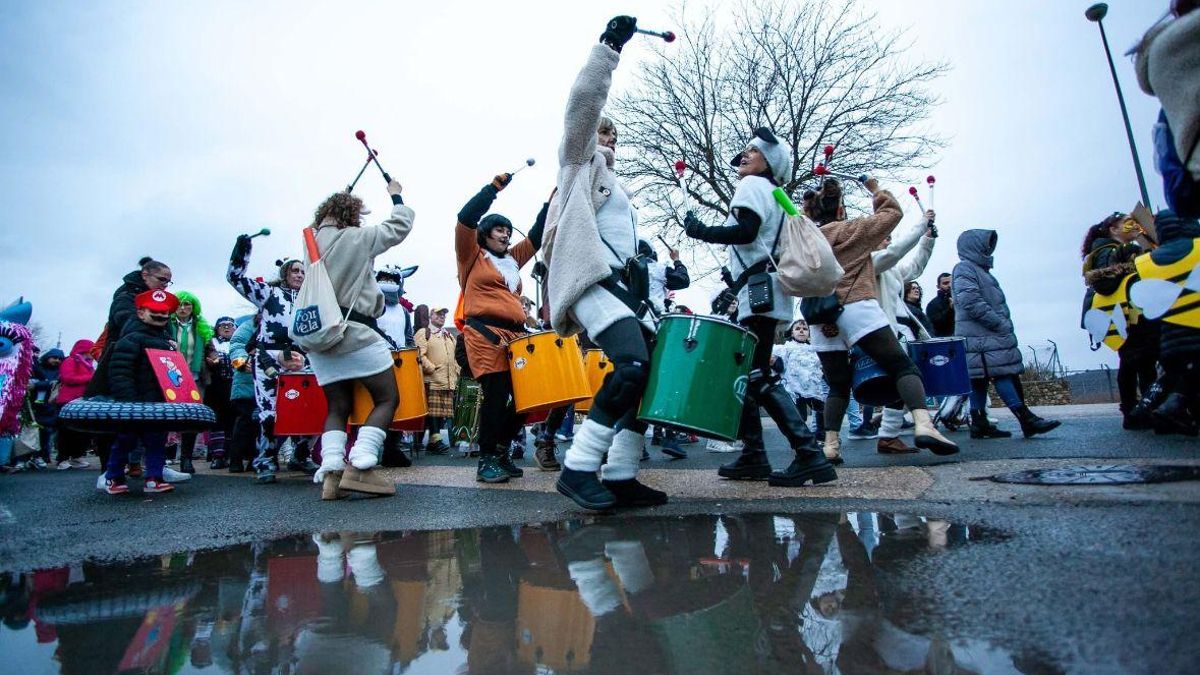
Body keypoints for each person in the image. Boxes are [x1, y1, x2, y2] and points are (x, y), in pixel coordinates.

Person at [546, 17, 669, 509]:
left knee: (653, 372)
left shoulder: (619, 187)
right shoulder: (578, 162)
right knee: (632, 365)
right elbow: (583, 104)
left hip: (627, 289)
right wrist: (609, 48)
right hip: (593, 281)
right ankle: (578, 468)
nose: (608, 139)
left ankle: (619, 472)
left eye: (613, 135)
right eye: (603, 132)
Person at [684, 127, 835, 487]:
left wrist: (701, 230)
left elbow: (747, 231)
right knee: (750, 375)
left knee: (757, 375)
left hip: (759, 295)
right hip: (768, 291)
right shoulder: (776, 194)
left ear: (770, 161)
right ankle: (755, 454)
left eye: (753, 150)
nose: (745, 155)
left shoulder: (752, 186)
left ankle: (808, 454)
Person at [802, 177, 958, 463]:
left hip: (819, 316)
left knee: (837, 385)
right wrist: (875, 190)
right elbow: (892, 214)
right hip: (856, 306)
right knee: (900, 365)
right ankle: (924, 425)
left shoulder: (805, 239)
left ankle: (830, 445)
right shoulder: (853, 231)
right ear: (840, 210)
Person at [306, 180, 414, 500]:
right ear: (352, 215)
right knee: (387, 399)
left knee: (338, 405)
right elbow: (399, 225)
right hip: (356, 332)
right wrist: (396, 194)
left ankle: (332, 475)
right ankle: (361, 467)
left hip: (320, 337)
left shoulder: (310, 240)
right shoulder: (358, 238)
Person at [454, 171, 547, 484]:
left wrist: (554, 199)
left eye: (507, 230)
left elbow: (537, 234)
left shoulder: (512, 259)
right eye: (498, 229)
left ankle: (503, 449)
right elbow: (465, 218)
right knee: (496, 396)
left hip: (515, 338)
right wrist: (493, 189)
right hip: (484, 334)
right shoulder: (472, 256)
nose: (505, 235)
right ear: (485, 234)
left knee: (524, 398)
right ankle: (486, 459)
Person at [953, 229, 1060, 438]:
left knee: (979, 379)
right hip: (982, 338)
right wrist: (998, 323)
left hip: (981, 338)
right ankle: (1025, 418)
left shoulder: (978, 270)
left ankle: (979, 422)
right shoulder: (965, 268)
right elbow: (970, 301)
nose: (989, 248)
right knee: (999, 373)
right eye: (986, 244)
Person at [227, 235, 307, 483]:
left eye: (303, 271)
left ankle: (300, 456)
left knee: (308, 410)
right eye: (295, 270)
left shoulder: (312, 298)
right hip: (268, 358)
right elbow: (235, 278)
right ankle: (266, 460)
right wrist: (242, 252)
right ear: (285, 273)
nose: (300, 275)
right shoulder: (268, 293)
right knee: (269, 414)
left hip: (302, 359)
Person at [100, 289, 184, 495]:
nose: (160, 315)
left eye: (164, 312)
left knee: (156, 441)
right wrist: (127, 399)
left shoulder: (168, 343)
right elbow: (119, 371)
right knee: (125, 440)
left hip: (158, 403)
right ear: (140, 313)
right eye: (153, 310)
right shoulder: (130, 339)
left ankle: (154, 478)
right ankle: (113, 477)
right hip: (132, 403)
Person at [1081, 213, 1160, 429]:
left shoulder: (1109, 251)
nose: (1133, 225)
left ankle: (1140, 409)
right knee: (1137, 362)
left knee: (1138, 362)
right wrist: (1134, 264)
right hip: (1126, 314)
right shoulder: (1109, 252)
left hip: (1127, 313)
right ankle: (1138, 410)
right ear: (1113, 230)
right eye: (1126, 222)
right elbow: (1105, 283)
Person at [870, 212, 937, 455]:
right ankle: (831, 439)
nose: (888, 241)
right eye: (884, 237)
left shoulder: (891, 270)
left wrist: (927, 240)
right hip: (879, 330)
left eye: (890, 237)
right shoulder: (870, 261)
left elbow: (914, 268)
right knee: (901, 377)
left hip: (898, 331)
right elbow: (896, 252)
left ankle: (888, 436)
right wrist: (920, 227)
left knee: (898, 381)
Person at [167, 291, 213, 474]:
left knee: (191, 417)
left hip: (194, 377)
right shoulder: (166, 324)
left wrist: (213, 357)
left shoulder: (201, 327)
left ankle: (186, 458)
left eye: (188, 304)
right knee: (166, 416)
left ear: (193, 307)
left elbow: (210, 348)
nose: (183, 308)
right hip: (168, 376)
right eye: (180, 304)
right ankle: (161, 457)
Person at [773, 320, 828, 442]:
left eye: (805, 328)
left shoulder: (814, 349)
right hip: (795, 388)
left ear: (809, 333)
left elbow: (821, 367)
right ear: (792, 333)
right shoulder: (786, 348)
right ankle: (801, 439)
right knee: (800, 415)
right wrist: (774, 362)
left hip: (813, 388)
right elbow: (778, 366)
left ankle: (822, 435)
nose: (802, 330)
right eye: (798, 328)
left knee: (822, 411)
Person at [413, 306, 458, 455]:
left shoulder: (449, 336)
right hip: (432, 379)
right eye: (438, 314)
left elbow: (455, 357)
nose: (442, 316)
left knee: (440, 413)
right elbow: (419, 354)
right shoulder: (424, 333)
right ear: (431, 316)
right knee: (432, 412)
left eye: (444, 314)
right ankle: (435, 439)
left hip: (448, 380)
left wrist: (456, 372)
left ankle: (433, 441)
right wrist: (431, 368)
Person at [53, 340, 95, 470]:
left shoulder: (88, 364)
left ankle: (77, 456)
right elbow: (67, 378)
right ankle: (62, 458)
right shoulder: (70, 361)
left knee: (81, 432)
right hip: (67, 401)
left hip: (82, 401)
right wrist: (89, 378)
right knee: (66, 431)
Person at [226, 317, 259, 473]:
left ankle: (255, 459)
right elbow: (236, 345)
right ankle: (236, 459)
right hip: (246, 384)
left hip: (265, 383)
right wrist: (241, 362)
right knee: (244, 423)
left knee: (261, 425)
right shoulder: (248, 327)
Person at [204, 317, 237, 469]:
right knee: (217, 421)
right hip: (216, 386)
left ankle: (229, 455)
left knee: (232, 421)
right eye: (223, 326)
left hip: (235, 386)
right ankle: (217, 456)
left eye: (230, 325)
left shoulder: (239, 343)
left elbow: (242, 362)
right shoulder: (211, 343)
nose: (226, 328)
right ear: (217, 328)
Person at [29, 347, 65, 469]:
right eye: (54, 358)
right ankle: (35, 456)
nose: (57, 361)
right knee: (36, 431)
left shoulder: (60, 371)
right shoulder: (37, 368)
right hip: (36, 404)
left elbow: (54, 383)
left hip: (51, 405)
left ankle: (42, 455)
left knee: (47, 431)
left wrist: (36, 384)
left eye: (60, 359)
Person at [925, 273, 956, 338]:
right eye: (945, 283)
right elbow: (936, 324)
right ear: (938, 286)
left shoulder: (961, 298)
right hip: (946, 340)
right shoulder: (932, 304)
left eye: (952, 282)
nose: (950, 285)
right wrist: (950, 309)